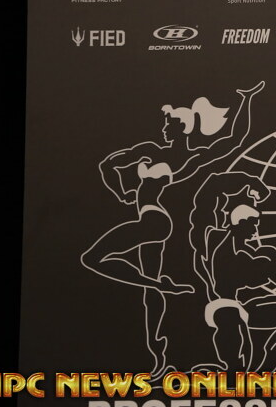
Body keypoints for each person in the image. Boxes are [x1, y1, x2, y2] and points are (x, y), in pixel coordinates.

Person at [81, 81, 264, 378]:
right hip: (152, 222)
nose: (165, 128)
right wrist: (123, 193)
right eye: (165, 124)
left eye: (170, 124)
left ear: (184, 128)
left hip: (155, 221)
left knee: (93, 258)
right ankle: (159, 359)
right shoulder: (151, 150)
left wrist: (246, 100)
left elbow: (234, 139)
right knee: (150, 294)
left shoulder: (188, 158)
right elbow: (107, 165)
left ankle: (161, 291)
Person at [190, 171, 276, 372]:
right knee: (236, 355)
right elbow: (210, 192)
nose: (256, 231)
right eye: (253, 225)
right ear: (241, 223)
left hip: (242, 308)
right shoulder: (222, 245)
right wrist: (251, 181)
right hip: (225, 309)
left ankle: (266, 367)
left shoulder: (214, 238)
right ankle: (244, 371)